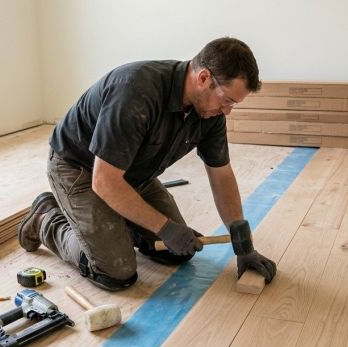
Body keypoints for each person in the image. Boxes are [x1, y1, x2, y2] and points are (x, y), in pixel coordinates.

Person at [17, 37, 277, 291]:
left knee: (178, 253)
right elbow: (104, 180)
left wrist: (243, 246)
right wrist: (164, 228)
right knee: (116, 271)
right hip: (80, 169)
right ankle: (46, 219)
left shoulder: (210, 113)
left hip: (132, 173)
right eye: (227, 100)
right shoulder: (136, 91)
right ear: (204, 78)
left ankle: (113, 226)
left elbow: (221, 176)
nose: (228, 111)